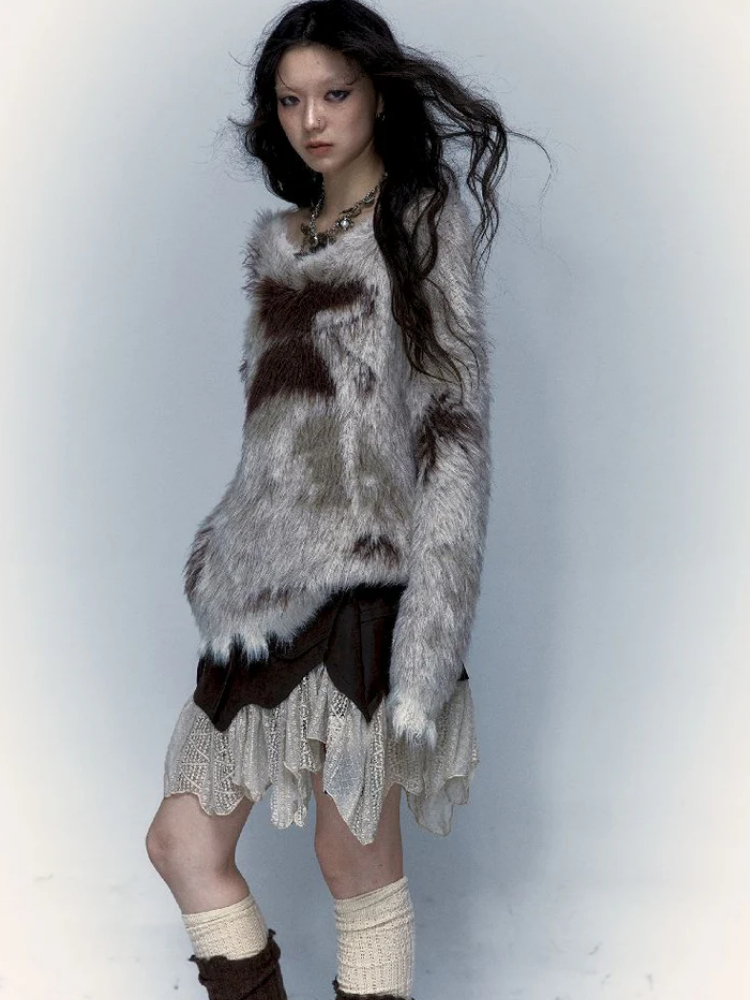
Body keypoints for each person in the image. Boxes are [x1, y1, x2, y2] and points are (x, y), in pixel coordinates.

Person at [145, 1, 541, 997]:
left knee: (352, 861)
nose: (311, 119)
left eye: (334, 93)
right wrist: (223, 551)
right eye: (289, 100)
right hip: (257, 594)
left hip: (365, 594)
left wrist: (428, 642)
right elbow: (276, 441)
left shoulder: (419, 229)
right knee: (183, 843)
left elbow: (453, 438)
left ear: (378, 97)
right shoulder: (282, 242)